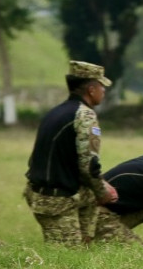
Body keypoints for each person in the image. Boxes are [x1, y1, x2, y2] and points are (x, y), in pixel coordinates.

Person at [24, 60, 118, 246]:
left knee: (90, 200)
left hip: (40, 191)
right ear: (91, 90)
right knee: (67, 259)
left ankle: (86, 240)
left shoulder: (55, 112)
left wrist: (100, 187)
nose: (104, 91)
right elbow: (88, 164)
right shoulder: (85, 115)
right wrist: (102, 191)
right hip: (55, 199)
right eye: (101, 86)